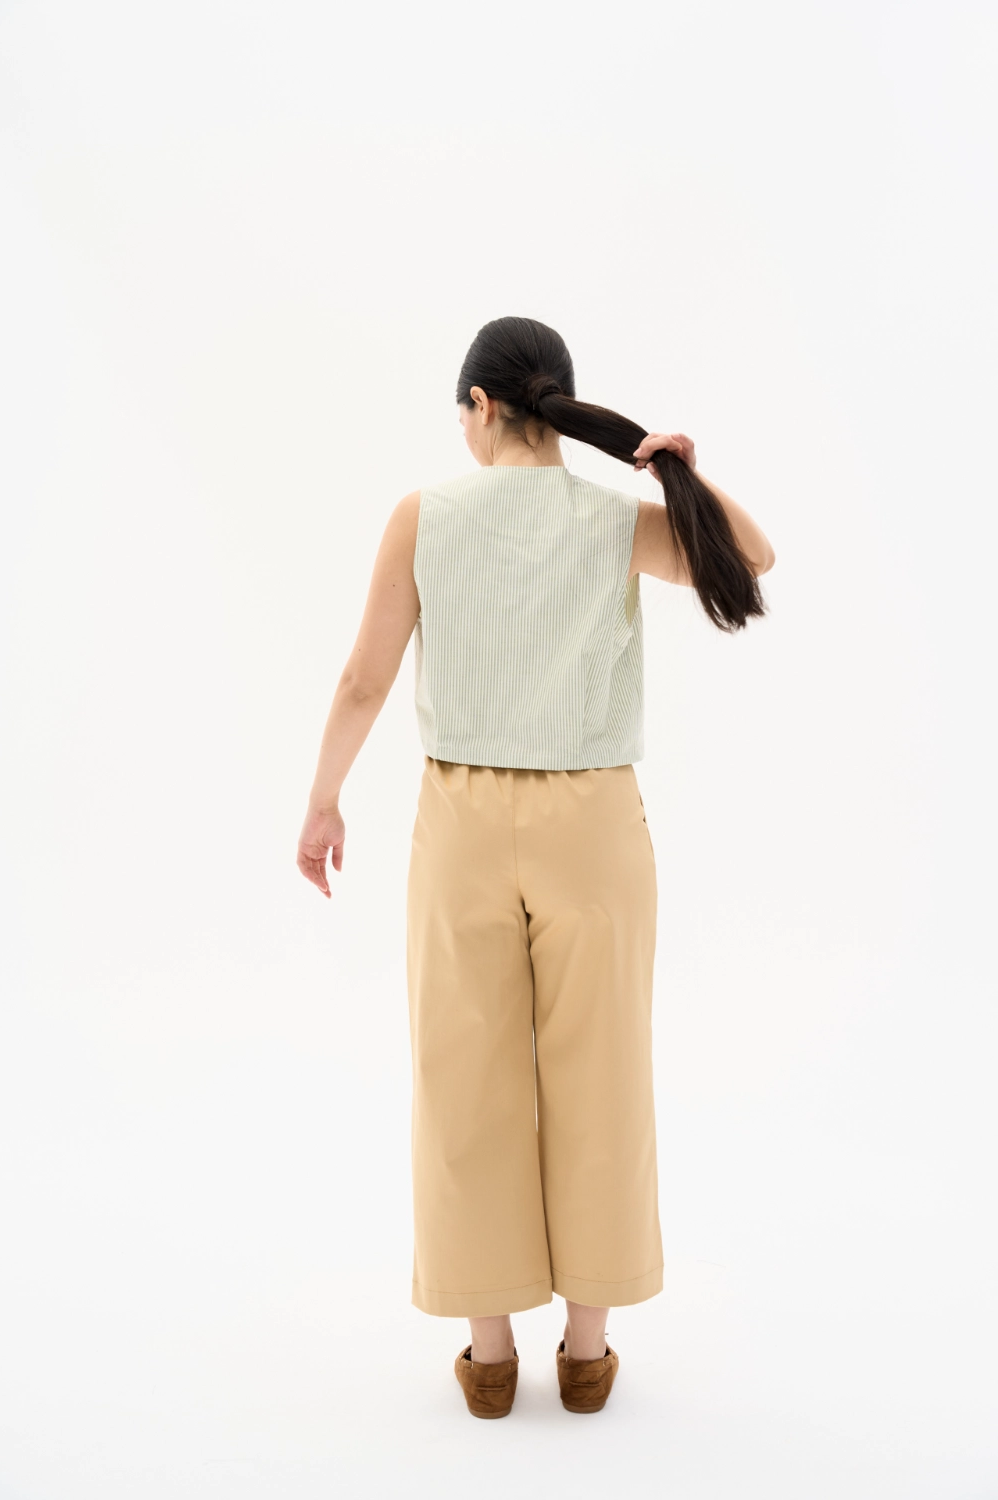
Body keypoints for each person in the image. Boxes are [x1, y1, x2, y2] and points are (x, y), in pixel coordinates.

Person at [297, 316, 775, 1418]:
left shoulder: (423, 515)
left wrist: (323, 800)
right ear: (554, 402)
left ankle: (490, 1354)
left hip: (462, 821)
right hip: (593, 823)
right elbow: (752, 556)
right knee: (600, 1074)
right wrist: (681, 475)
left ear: (480, 405)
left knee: (464, 1077)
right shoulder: (613, 519)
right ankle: (588, 1352)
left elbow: (365, 679)